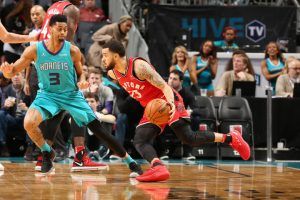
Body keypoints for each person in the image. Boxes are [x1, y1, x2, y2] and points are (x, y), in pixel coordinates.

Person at [0, 14, 142, 176]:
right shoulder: (34, 49)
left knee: (99, 130)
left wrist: (82, 81)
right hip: (48, 96)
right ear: (49, 29)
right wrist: (7, 72)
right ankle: (47, 152)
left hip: (71, 96)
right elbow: (13, 71)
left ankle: (130, 161)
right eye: (59, 29)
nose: (63, 32)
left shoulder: (73, 50)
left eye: (65, 29)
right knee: (28, 123)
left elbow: (81, 74)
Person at [101, 40, 251, 182]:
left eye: (105, 55)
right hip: (152, 107)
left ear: (115, 55)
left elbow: (165, 86)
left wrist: (171, 104)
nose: (102, 59)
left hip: (168, 99)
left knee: (188, 138)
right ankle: (158, 167)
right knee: (140, 140)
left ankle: (232, 138)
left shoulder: (139, 67)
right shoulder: (112, 74)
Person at [25, 0, 102, 172]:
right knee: (77, 106)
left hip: (40, 67)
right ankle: (80, 156)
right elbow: (65, 38)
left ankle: (43, 156)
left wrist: (27, 79)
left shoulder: (52, 8)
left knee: (53, 114)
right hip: (58, 62)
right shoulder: (71, 9)